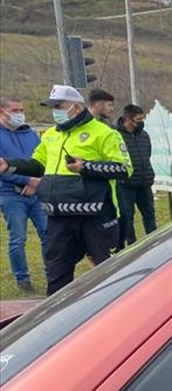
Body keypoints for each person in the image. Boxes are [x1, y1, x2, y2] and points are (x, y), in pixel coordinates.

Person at [0, 84, 131, 295]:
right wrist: (9, 163)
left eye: (59, 106)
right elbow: (38, 164)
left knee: (106, 270)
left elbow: (125, 169)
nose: (55, 111)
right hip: (59, 213)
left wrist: (86, 167)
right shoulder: (51, 134)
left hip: (95, 214)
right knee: (57, 272)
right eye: (52, 106)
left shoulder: (104, 133)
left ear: (76, 107)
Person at [0, 96, 48, 293]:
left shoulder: (31, 134)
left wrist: (36, 184)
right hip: (10, 195)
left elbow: (41, 161)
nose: (20, 114)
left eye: (21, 110)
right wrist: (27, 181)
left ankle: (52, 273)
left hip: (37, 194)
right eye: (15, 110)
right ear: (3, 112)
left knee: (48, 234)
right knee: (18, 238)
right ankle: (23, 279)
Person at [115, 104, 156, 249]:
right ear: (128, 120)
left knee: (149, 214)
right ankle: (132, 245)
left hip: (144, 183)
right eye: (139, 119)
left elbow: (147, 154)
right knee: (127, 216)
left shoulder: (144, 135)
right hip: (126, 184)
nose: (141, 122)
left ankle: (154, 242)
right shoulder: (115, 135)